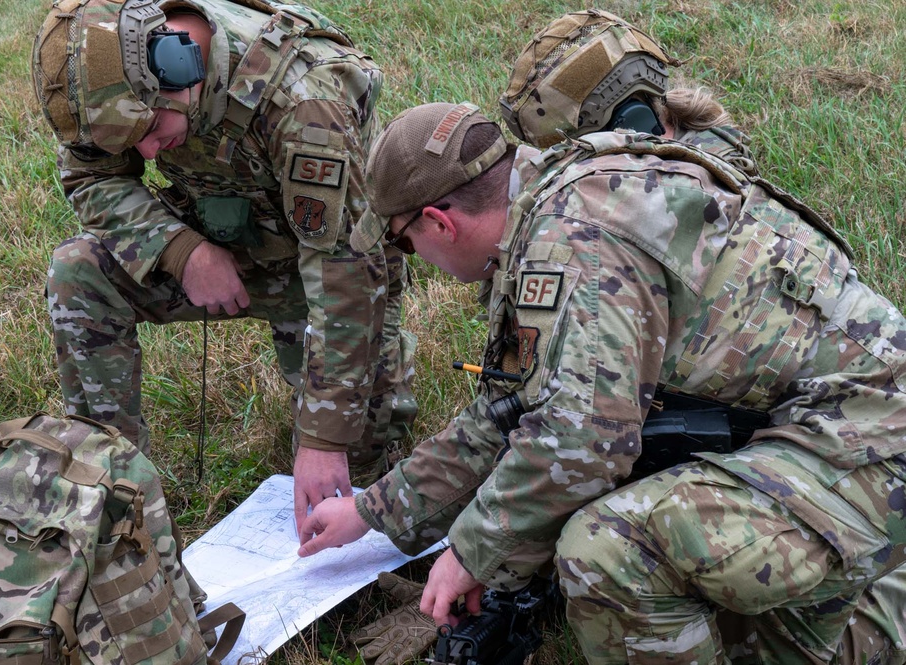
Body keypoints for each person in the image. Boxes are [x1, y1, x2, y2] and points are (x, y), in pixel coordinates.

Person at [296, 12, 906, 665]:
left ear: (439, 223)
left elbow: (584, 442)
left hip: (866, 441)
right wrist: (373, 511)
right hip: (825, 429)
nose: (414, 257)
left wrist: (471, 550)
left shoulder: (567, 239)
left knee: (606, 547)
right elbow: (501, 419)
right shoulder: (552, 210)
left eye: (404, 241)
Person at [30, 0, 416, 530]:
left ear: (178, 67)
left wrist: (324, 439)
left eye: (149, 127)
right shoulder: (112, 78)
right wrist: (180, 250)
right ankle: (112, 483)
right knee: (78, 271)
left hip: (325, 272)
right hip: (222, 249)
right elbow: (89, 177)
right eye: (127, 140)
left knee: (356, 475)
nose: (144, 153)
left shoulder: (303, 101)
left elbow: (346, 269)